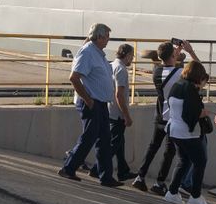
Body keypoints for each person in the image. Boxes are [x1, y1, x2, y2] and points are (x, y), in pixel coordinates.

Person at [57, 23, 118, 185]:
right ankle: (69, 168)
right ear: (99, 37)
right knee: (89, 137)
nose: (108, 40)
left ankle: (106, 176)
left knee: (104, 139)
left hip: (101, 103)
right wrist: (88, 100)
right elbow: (74, 77)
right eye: (107, 37)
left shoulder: (97, 52)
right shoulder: (88, 52)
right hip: (92, 102)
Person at [133, 39, 192, 193]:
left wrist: (174, 54)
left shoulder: (156, 71)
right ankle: (159, 183)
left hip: (159, 115)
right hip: (172, 118)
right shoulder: (179, 73)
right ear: (172, 56)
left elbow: (167, 64)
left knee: (153, 147)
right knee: (169, 152)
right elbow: (197, 70)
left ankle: (140, 176)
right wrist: (190, 51)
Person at [162, 58, 211, 204]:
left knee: (183, 161)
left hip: (173, 130)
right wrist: (203, 113)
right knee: (200, 162)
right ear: (198, 76)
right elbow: (191, 113)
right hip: (188, 133)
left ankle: (172, 192)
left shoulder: (177, 85)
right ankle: (195, 197)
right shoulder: (190, 90)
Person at [104, 43, 137, 181]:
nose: (132, 59)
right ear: (127, 55)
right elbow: (119, 95)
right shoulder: (121, 69)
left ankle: (123, 171)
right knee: (114, 144)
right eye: (132, 56)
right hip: (118, 113)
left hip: (109, 109)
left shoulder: (111, 65)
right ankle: (98, 169)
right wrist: (126, 116)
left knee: (119, 143)